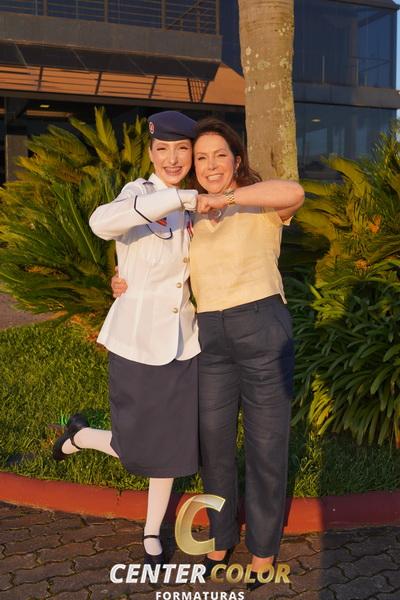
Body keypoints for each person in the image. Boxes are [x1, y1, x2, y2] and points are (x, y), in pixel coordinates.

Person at [112, 116, 304, 589]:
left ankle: (262, 550)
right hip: (210, 338)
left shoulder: (258, 202)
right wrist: (121, 280)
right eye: (201, 157)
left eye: (220, 155)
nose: (210, 165)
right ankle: (221, 539)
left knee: (265, 445)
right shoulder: (188, 213)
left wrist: (229, 198)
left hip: (262, 327)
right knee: (214, 446)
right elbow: (152, 259)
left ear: (237, 160)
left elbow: (294, 192)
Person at [52, 110, 201, 566]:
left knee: (171, 443)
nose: (172, 159)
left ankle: (152, 530)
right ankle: (81, 437)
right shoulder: (138, 194)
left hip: (185, 341)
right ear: (150, 153)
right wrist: (180, 197)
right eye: (163, 149)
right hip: (137, 339)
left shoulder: (202, 203)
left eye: (182, 149)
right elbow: (102, 223)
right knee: (135, 442)